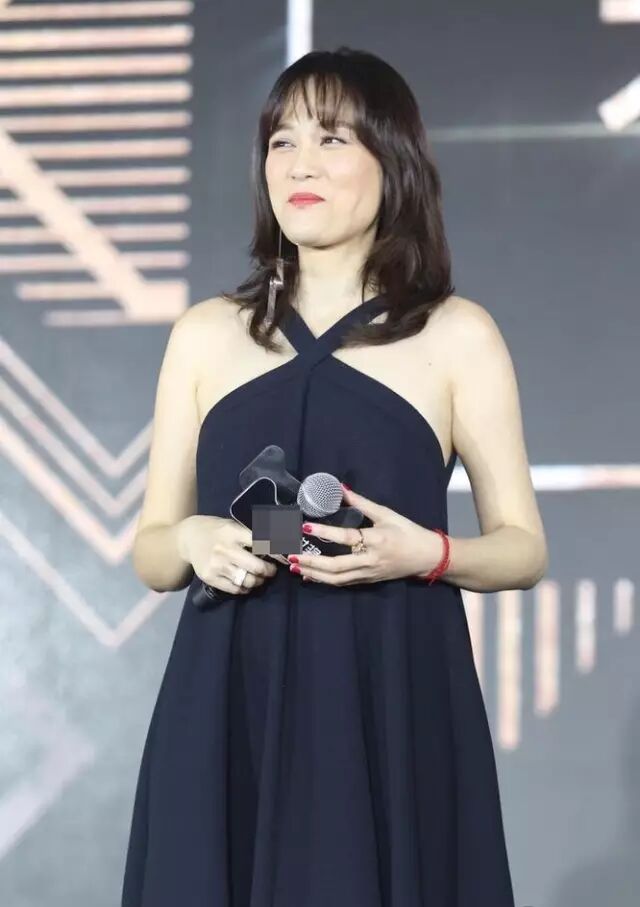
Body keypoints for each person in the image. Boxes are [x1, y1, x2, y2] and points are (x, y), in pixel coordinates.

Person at [121, 46, 548, 907]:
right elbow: (153, 552)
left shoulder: (457, 334)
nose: (300, 164)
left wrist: (427, 553)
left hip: (390, 693)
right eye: (281, 141)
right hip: (229, 698)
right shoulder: (205, 334)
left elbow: (522, 548)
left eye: (331, 139)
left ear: (393, 162)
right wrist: (195, 538)